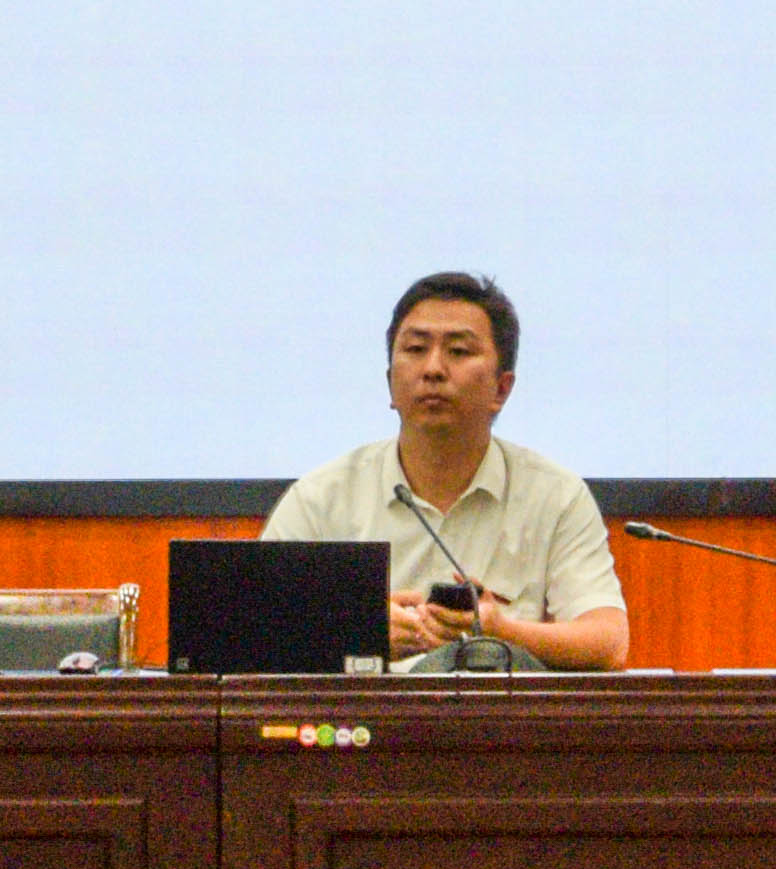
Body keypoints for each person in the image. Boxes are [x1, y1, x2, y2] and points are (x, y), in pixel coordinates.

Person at [261, 272, 630, 671]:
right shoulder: (321, 498)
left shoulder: (555, 495)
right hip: (371, 710)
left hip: (496, 709)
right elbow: (251, 633)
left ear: (502, 389)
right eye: (416, 349)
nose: (433, 369)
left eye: (458, 351)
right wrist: (358, 633)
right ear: (390, 383)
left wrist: (501, 633)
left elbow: (608, 643)